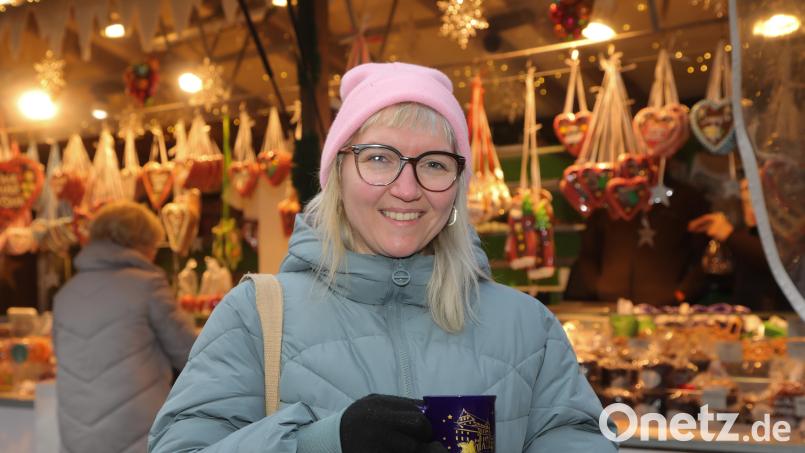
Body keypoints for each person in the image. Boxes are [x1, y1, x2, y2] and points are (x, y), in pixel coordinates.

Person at [149, 63, 615, 452]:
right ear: (338, 174)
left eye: (434, 163)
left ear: (456, 187)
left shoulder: (527, 326)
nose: (407, 189)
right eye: (378, 158)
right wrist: (323, 443)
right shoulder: (255, 316)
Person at [52, 201, 196, 453]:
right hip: (137, 433)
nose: (154, 254)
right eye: (153, 245)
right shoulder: (148, 286)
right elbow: (191, 354)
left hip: (76, 436)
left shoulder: (65, 294)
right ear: (139, 243)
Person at [565, 172, 711, 306]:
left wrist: (680, 294)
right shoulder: (606, 198)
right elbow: (588, 253)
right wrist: (597, 287)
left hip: (664, 307)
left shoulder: (687, 199)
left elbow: (704, 259)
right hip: (610, 303)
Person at [688, 179, 789, 311]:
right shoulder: (746, 235)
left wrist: (728, 234)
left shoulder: (788, 236)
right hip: (746, 315)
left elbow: (777, 259)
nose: (747, 200)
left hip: (778, 318)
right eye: (744, 192)